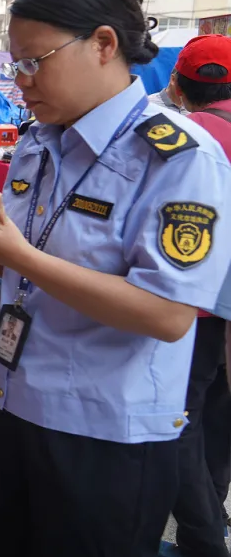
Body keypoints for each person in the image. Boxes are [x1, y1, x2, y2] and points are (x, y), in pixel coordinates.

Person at [0, 0, 231, 557]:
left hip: (104, 439)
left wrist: (21, 256)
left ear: (102, 44)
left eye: (35, 62)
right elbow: (29, 267)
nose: (22, 82)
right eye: (16, 64)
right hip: (13, 409)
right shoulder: (39, 144)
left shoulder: (178, 158)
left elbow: (168, 313)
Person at [161, 34, 231, 556]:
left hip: (197, 303)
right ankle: (213, 509)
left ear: (179, 86)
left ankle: (204, 536)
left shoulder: (176, 134)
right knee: (219, 414)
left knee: (179, 413)